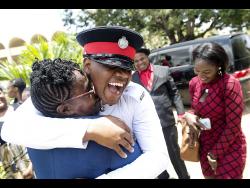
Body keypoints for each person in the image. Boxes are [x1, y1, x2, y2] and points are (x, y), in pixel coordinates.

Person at [2, 26, 173, 179]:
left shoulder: (135, 96)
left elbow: (157, 156)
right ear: (88, 65)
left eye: (127, 68)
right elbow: (11, 130)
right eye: (111, 66)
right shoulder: (62, 89)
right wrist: (91, 129)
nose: (123, 75)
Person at [184, 42, 247, 179]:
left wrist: (215, 153)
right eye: (197, 71)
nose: (201, 76)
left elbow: (233, 126)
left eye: (207, 72)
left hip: (229, 144)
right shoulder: (194, 83)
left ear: (219, 66)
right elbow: (196, 110)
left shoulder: (229, 84)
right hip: (206, 143)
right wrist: (188, 116)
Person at [132, 48, 190, 179]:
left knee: (174, 152)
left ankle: (184, 176)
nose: (140, 62)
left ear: (148, 57)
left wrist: (181, 113)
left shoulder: (163, 71)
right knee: (153, 155)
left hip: (166, 121)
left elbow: (174, 93)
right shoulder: (133, 79)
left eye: (142, 59)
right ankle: (163, 176)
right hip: (147, 125)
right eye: (136, 61)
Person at [0, 86, 34, 179]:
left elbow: (35, 136)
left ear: (4, 93)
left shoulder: (20, 110)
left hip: (34, 165)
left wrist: (32, 166)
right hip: (12, 172)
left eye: (0, 93)